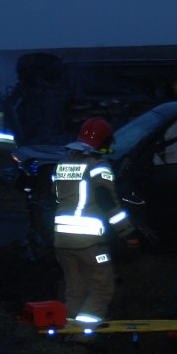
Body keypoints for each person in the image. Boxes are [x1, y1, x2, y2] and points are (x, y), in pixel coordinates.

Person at [52, 117, 136, 326]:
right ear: (103, 142)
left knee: (75, 289)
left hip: (61, 241)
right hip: (90, 242)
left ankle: (69, 334)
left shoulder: (62, 165)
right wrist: (128, 233)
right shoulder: (99, 167)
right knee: (101, 288)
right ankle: (83, 338)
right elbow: (109, 204)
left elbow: (56, 197)